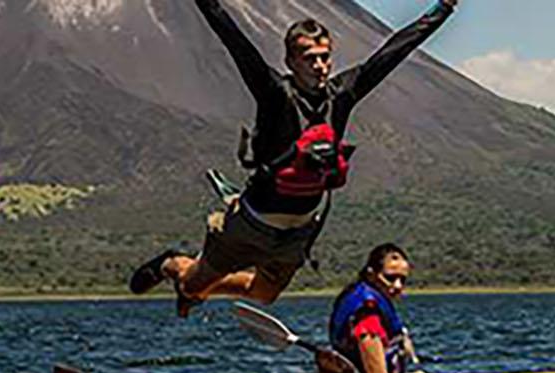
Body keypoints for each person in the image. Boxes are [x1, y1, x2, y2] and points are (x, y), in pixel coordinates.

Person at [127, 0, 460, 318]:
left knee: (264, 295)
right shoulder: (274, 93)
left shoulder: (343, 94)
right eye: (309, 58)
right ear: (290, 62)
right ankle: (172, 265)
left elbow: (393, 52)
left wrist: (443, 9)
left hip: (299, 231)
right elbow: (232, 38)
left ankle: (203, 284)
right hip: (251, 223)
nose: (319, 66)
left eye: (325, 58)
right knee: (192, 287)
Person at [327, 243, 509, 373]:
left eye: (402, 279)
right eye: (390, 278)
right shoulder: (367, 317)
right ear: (371, 274)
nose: (397, 286)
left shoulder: (361, 297)